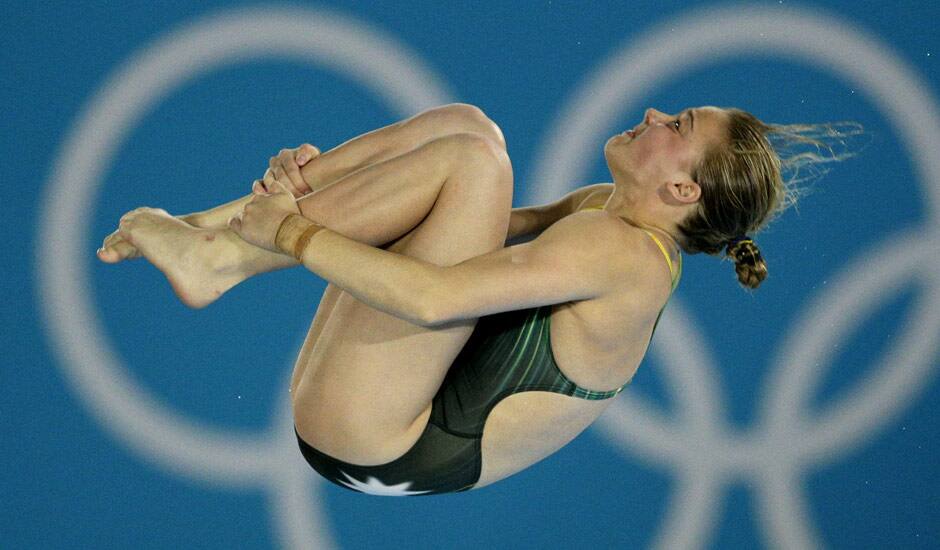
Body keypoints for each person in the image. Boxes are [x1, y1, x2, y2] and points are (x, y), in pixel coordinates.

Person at [98, 103, 856, 495]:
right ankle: (208, 233)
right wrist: (314, 188)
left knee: (472, 160)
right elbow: (460, 217)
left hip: (382, 441)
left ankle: (221, 255)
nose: (655, 114)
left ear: (682, 190)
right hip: (385, 421)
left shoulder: (622, 254)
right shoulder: (608, 211)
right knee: (470, 132)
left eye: (678, 127)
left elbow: (432, 297)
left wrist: (293, 234)